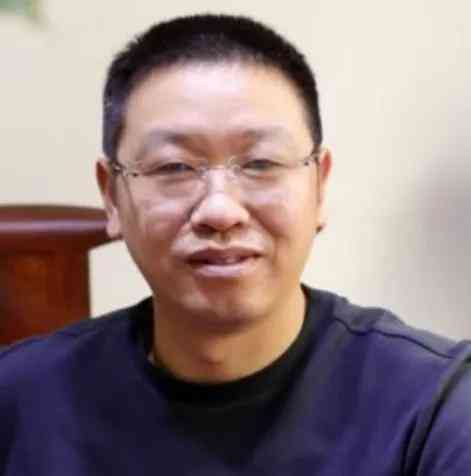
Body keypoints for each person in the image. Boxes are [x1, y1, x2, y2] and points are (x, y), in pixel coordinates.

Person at [1, 13, 470, 475]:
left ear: (319, 186)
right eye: (174, 167)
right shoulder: (20, 401)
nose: (220, 210)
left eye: (261, 163)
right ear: (112, 196)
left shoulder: (432, 410)